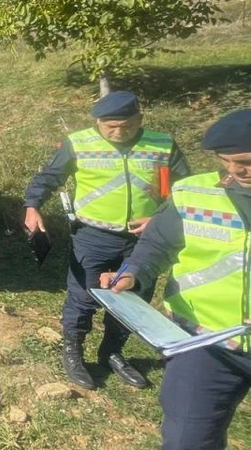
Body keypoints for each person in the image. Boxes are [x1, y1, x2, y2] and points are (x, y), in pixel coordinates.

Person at [103, 109, 251, 450]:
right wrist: (132, 274)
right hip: (202, 340)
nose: (233, 170)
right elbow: (156, 245)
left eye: (244, 161)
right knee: (187, 440)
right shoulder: (194, 193)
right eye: (224, 161)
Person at [24, 91, 190, 390]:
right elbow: (49, 176)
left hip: (145, 240)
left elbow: (185, 189)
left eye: (124, 125)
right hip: (93, 236)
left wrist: (160, 218)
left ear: (140, 119)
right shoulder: (80, 143)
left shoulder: (162, 144)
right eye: (108, 126)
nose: (117, 131)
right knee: (83, 297)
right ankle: (73, 350)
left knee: (132, 299)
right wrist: (33, 205)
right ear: (98, 122)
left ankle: (112, 352)